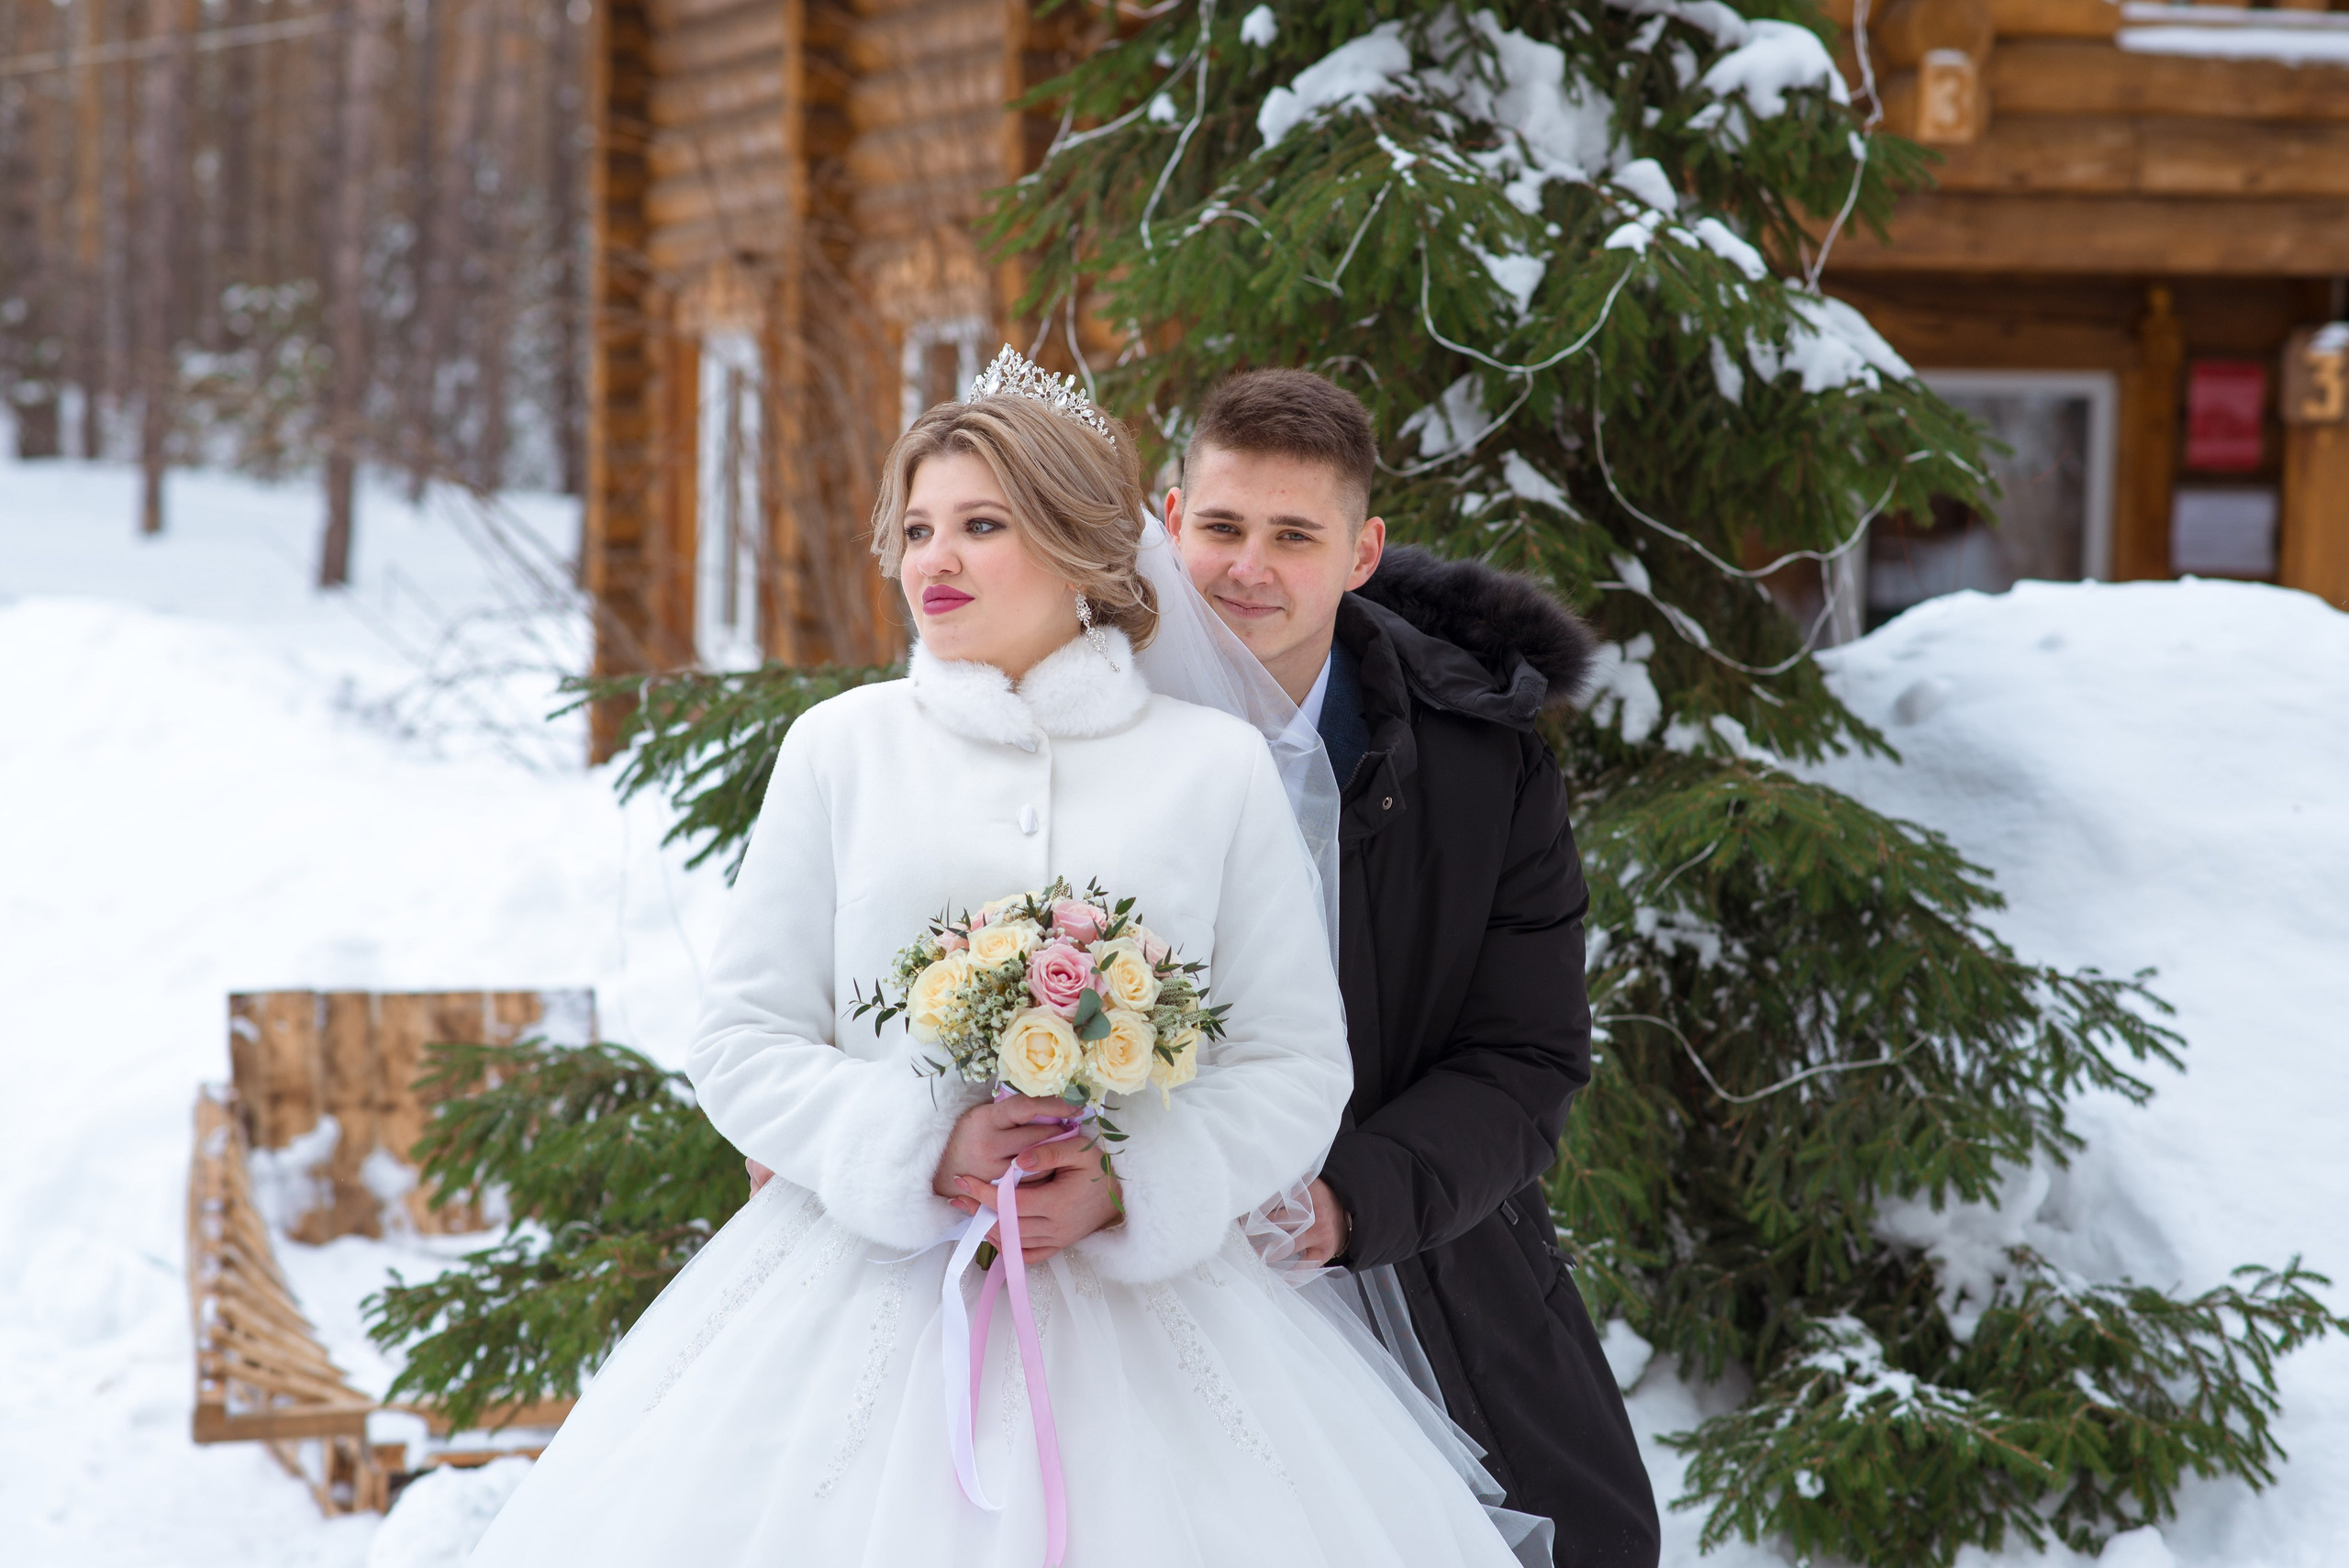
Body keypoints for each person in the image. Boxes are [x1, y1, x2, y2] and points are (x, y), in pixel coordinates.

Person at [467, 354, 1539, 1567]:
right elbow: (743, 1038)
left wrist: (1135, 1176)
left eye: (982, 524)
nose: (937, 557)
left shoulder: (1213, 768)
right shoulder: (841, 751)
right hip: (857, 1297)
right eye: (918, 527)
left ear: (1086, 548)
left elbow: (1291, 1063)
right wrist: (917, 1140)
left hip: (1161, 1322)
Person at [1163, 369, 1664, 1568]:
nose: (1251, 568)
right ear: (1169, 517)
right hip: (1138, 1268)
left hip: (1416, 1248)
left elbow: (1525, 1054)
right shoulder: (1078, 723)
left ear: (1363, 549)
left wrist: (1348, 1204)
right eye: (1224, 527)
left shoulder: (1482, 760)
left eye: (1296, 534)